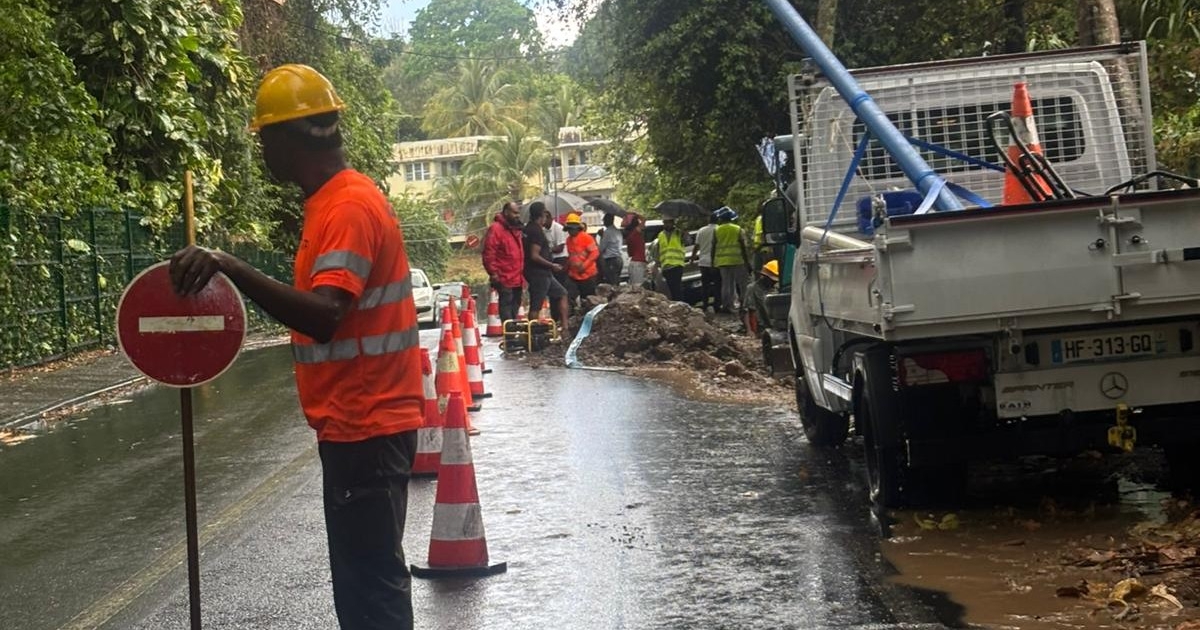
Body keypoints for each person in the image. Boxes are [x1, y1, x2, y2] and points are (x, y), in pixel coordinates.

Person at [167, 65, 420, 629]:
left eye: (264, 137)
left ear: (296, 136)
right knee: (363, 584)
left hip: (367, 423)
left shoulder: (347, 207)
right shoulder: (330, 204)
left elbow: (327, 315)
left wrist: (230, 267)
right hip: (357, 424)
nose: (261, 151)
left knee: (370, 588)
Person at [523, 204, 570, 335]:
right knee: (536, 305)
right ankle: (532, 334)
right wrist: (552, 265)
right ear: (542, 215)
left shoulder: (528, 229)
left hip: (543, 273)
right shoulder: (536, 231)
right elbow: (534, 255)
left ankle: (565, 327)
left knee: (562, 293)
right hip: (539, 273)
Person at [483, 200, 525, 323]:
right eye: (514, 213)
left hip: (517, 277)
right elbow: (489, 253)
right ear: (506, 212)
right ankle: (509, 335)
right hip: (504, 277)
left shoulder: (515, 229)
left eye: (518, 213)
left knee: (514, 308)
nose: (517, 216)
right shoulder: (496, 229)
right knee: (506, 309)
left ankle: (513, 334)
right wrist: (493, 273)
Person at [714, 206, 752, 315]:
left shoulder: (717, 230)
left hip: (722, 261)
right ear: (731, 217)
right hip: (737, 260)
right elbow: (743, 247)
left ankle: (727, 305)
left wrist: (713, 262)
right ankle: (744, 305)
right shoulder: (738, 229)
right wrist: (747, 262)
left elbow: (713, 246)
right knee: (742, 284)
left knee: (726, 285)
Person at [564, 213, 599, 309]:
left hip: (588, 275)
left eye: (571, 229)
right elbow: (571, 256)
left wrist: (584, 266)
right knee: (569, 296)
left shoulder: (586, 238)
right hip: (574, 276)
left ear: (577, 228)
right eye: (569, 229)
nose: (570, 231)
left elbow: (595, 253)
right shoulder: (568, 240)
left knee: (588, 300)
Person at [691, 210, 722, 312]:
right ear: (718, 220)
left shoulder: (701, 230)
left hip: (703, 262)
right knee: (717, 284)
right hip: (716, 261)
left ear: (709, 220)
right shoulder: (719, 230)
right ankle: (717, 305)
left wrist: (692, 259)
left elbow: (696, 246)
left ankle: (705, 304)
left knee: (705, 284)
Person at [744, 259, 779, 336]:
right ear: (765, 276)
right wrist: (750, 330)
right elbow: (748, 311)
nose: (773, 282)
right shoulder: (753, 288)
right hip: (762, 328)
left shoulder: (777, 288)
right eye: (772, 280)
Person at [655, 216, 687, 301]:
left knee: (677, 288)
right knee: (671, 289)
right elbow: (658, 250)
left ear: (673, 223)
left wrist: (684, 232)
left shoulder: (679, 233)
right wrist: (657, 264)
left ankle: (680, 306)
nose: (666, 224)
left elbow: (688, 241)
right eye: (665, 222)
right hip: (666, 266)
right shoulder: (660, 235)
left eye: (668, 222)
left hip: (677, 264)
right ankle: (677, 307)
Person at [545, 207, 571, 296]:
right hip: (551, 259)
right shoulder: (544, 230)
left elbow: (560, 247)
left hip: (561, 259)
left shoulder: (558, 228)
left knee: (561, 285)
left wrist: (548, 249)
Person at [597, 212, 623, 286]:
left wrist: (601, 236)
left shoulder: (607, 232)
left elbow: (602, 248)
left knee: (611, 283)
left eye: (604, 220)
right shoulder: (618, 231)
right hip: (618, 259)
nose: (603, 222)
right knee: (616, 281)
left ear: (608, 220)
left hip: (611, 260)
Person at [623, 213, 647, 288]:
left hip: (633, 264)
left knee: (634, 288)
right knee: (638, 288)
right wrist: (635, 214)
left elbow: (630, 253)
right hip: (638, 265)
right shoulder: (635, 232)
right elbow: (644, 219)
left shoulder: (629, 237)